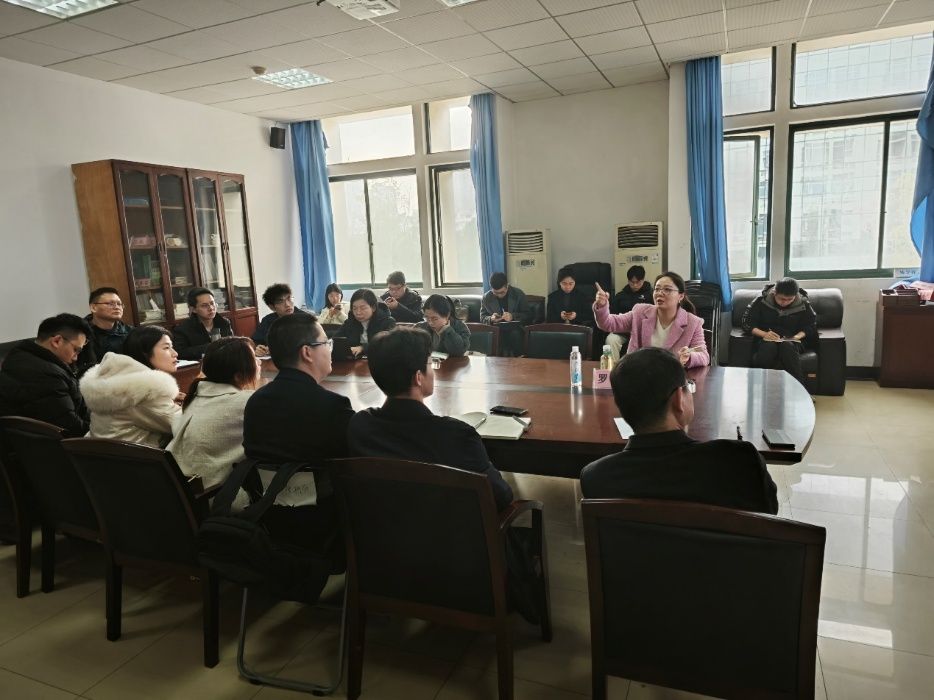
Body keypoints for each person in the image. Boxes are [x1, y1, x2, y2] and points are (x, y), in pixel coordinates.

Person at [581, 347, 778, 514]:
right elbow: (769, 516)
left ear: (620, 405)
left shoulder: (596, 478)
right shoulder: (741, 461)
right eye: (687, 386)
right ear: (678, 399)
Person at [348, 326, 513, 508]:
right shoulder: (457, 435)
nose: (433, 370)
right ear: (418, 377)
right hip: (448, 526)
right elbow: (501, 495)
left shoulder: (360, 426)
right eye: (430, 363)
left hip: (382, 524)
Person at [243, 313, 354, 553]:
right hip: (325, 527)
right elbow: (352, 465)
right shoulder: (332, 406)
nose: (330, 349)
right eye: (326, 343)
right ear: (307, 352)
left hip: (271, 522)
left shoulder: (256, 401)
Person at [167, 337, 261, 490]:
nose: (259, 362)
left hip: (181, 487)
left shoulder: (196, 395)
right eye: (254, 359)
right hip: (214, 494)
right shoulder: (247, 401)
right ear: (238, 375)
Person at [80, 325, 182, 447]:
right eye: (166, 348)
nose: (175, 353)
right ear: (144, 353)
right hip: (139, 457)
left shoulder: (118, 379)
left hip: (104, 454)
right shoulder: (143, 391)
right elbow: (185, 425)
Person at [0, 313, 91, 437]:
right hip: (53, 444)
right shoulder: (48, 375)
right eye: (76, 350)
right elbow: (72, 427)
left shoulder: (17, 356)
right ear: (57, 341)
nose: (76, 357)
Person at [594, 271, 709, 368]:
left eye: (667, 289)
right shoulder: (640, 312)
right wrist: (602, 305)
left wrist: (689, 357)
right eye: (657, 289)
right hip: (639, 373)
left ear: (681, 296)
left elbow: (704, 356)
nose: (660, 293)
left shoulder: (693, 322)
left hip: (670, 378)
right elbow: (608, 324)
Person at [742, 277, 818, 386]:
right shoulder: (761, 300)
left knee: (787, 346)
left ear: (795, 295)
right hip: (765, 339)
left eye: (790, 299)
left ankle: (799, 388)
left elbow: (811, 326)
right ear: (774, 293)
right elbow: (746, 322)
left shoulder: (803, 303)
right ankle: (759, 386)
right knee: (769, 346)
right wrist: (764, 334)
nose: (785, 302)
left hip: (793, 341)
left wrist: (796, 337)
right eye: (781, 299)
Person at [77, 286, 132, 375]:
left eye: (119, 304)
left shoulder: (131, 333)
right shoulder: (79, 333)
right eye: (111, 304)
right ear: (93, 307)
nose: (117, 307)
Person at [172, 288, 233, 360]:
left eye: (212, 303)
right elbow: (180, 353)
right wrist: (212, 347)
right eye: (204, 305)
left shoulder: (224, 322)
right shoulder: (182, 329)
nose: (211, 308)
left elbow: (232, 345)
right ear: (193, 309)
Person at [606, 265, 652, 358]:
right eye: (632, 282)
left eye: (638, 282)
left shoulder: (651, 295)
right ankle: (614, 366)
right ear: (628, 281)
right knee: (611, 339)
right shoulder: (620, 296)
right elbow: (612, 315)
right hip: (623, 331)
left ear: (643, 280)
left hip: (643, 331)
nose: (635, 285)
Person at [480, 272, 531, 356]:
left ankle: (519, 359)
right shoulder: (486, 298)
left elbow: (528, 315)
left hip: (515, 329)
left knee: (515, 334)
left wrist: (512, 316)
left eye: (502, 292)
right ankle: (495, 362)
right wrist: (491, 319)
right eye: (496, 293)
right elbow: (482, 318)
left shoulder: (518, 294)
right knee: (494, 336)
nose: (499, 295)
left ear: (507, 285)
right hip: (496, 329)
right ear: (491, 288)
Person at [252, 282, 311, 354]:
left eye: (289, 299)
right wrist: (258, 348)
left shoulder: (306, 319)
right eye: (280, 302)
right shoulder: (267, 320)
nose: (287, 305)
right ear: (272, 307)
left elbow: (312, 343)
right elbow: (255, 341)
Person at [338, 288, 396, 357]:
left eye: (363, 308)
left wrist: (363, 348)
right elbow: (336, 340)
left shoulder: (387, 322)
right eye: (355, 308)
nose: (358, 312)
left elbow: (388, 344)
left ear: (373, 308)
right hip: (354, 362)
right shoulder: (350, 322)